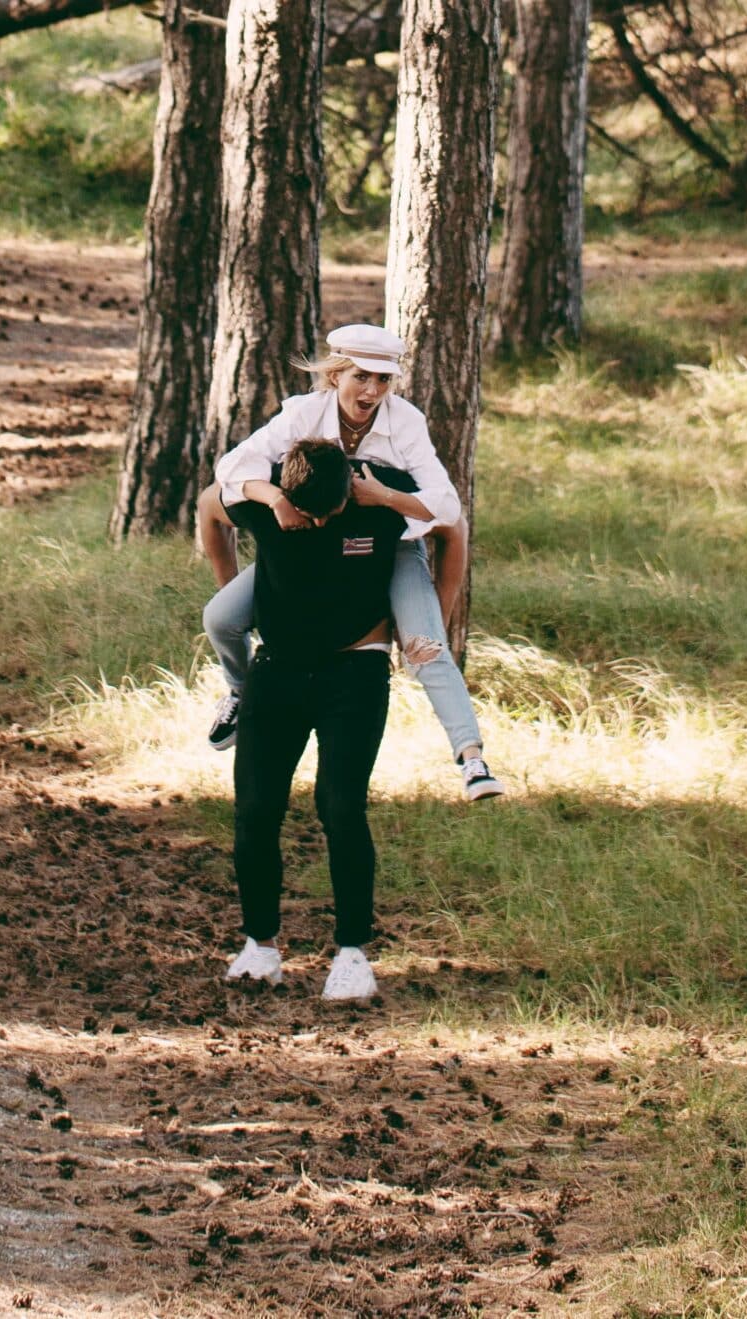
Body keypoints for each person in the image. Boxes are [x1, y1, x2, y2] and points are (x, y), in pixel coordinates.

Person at [201, 324, 504, 802]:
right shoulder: (304, 413)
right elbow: (233, 469)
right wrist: (276, 499)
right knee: (220, 617)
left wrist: (384, 497)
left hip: (391, 545)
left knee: (425, 646)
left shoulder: (405, 422)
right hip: (312, 546)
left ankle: (472, 759)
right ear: (335, 376)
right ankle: (240, 692)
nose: (373, 391)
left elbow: (447, 507)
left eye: (384, 380)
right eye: (362, 377)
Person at [207, 440, 404, 1000]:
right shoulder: (269, 504)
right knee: (255, 807)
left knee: (340, 806)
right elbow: (208, 506)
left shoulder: (378, 500)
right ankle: (260, 945)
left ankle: (352, 954)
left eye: (328, 513)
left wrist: (432, 621)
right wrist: (229, 585)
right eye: (306, 513)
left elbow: (448, 521)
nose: (317, 522)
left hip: (355, 673)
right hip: (278, 671)